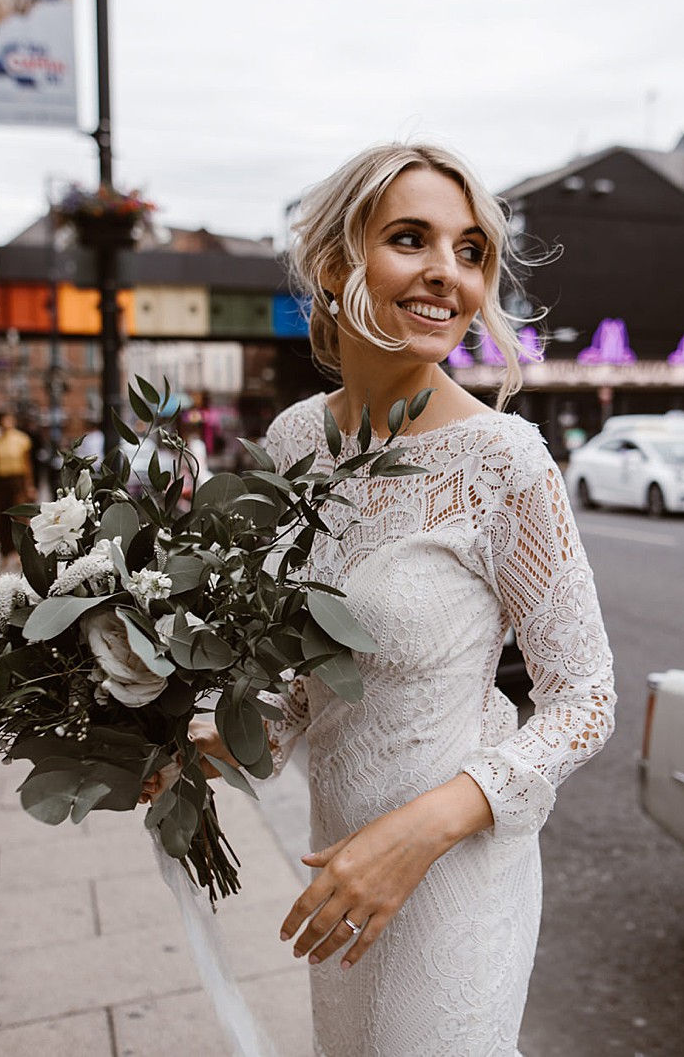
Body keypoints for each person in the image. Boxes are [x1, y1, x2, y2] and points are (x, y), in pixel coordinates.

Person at [183, 143, 616, 1054]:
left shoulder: (505, 461)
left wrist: (419, 831)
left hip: (454, 870)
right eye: (411, 239)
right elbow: (300, 669)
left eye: (469, 251)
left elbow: (585, 702)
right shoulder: (297, 437)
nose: (446, 275)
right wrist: (200, 742)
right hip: (341, 865)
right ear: (339, 262)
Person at [0, 411, 34, 569]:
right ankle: (6, 552)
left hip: (16, 481)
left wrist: (29, 485)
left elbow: (27, 464)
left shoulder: (21, 440)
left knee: (19, 516)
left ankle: (21, 551)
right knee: (1, 518)